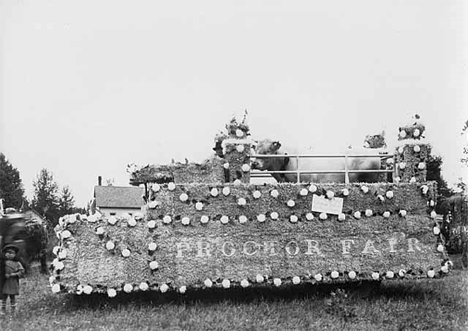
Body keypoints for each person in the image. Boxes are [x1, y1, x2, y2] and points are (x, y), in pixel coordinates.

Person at [1, 244, 24, 316]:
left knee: (12, 297)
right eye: (7, 252)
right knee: (3, 297)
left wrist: (13, 275)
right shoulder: (3, 263)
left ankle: (13, 311)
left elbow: (22, 271)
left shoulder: (17, 263)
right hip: (4, 282)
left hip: (13, 282)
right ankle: (2, 310)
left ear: (15, 254)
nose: (9, 254)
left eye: (11, 253)